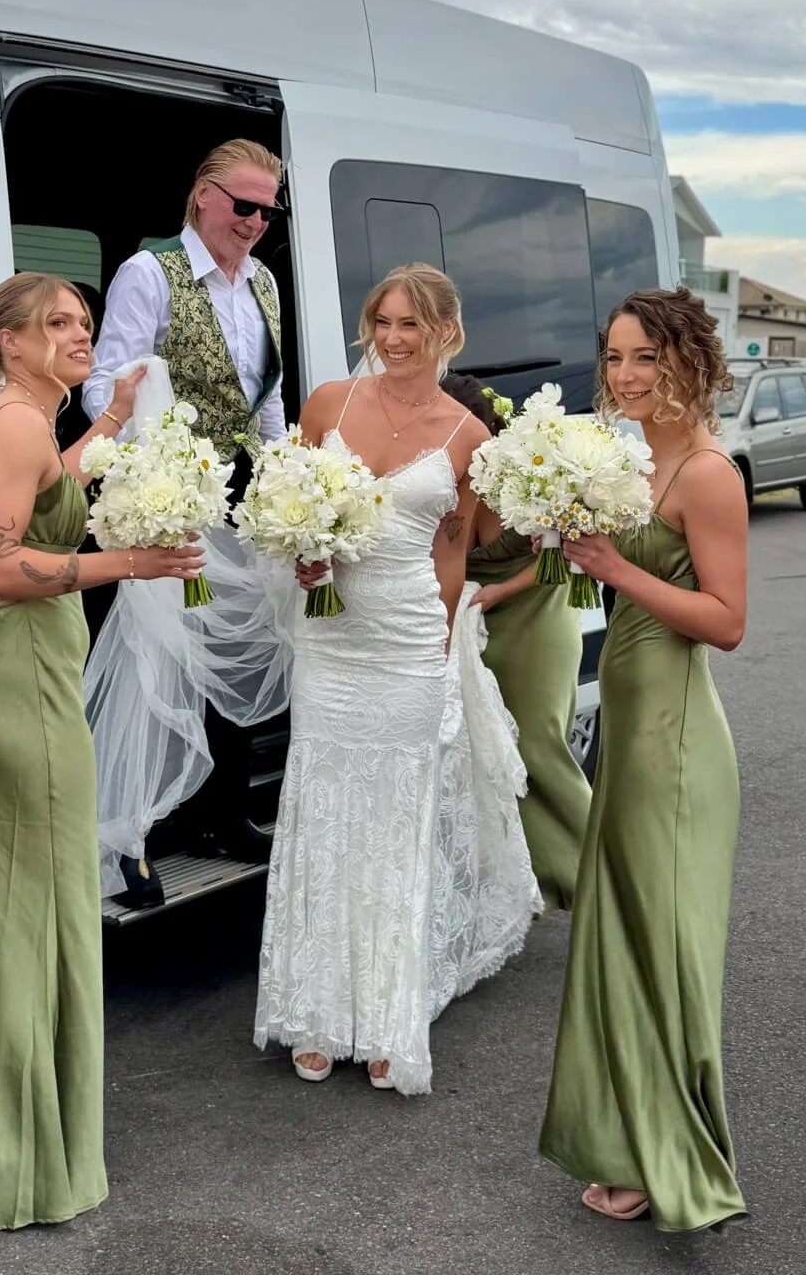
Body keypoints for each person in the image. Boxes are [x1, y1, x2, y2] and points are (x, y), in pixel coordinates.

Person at [0, 273, 203, 1241]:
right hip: (16, 686)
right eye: (58, 323)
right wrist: (128, 563)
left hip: (4, 677)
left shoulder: (20, 419)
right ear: (11, 341)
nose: (79, 333)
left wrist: (116, 420)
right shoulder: (13, 421)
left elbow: (51, 480)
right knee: (24, 913)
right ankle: (4, 1159)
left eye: (85, 321)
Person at [255, 264, 541, 1095]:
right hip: (331, 642)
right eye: (380, 321)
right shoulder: (326, 405)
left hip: (411, 641)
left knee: (396, 823)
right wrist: (299, 558)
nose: (390, 338)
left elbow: (458, 549)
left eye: (409, 324)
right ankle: (314, 1008)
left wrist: (444, 640)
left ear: (445, 331)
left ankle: (387, 1013)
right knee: (324, 810)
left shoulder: (468, 437)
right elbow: (283, 513)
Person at [539, 287, 748, 1232]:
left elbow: (727, 621)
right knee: (620, 940)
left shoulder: (706, 472)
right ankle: (625, 1144)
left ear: (687, 362)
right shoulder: (631, 455)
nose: (623, 376)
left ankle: (672, 1159)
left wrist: (618, 570)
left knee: (659, 948)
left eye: (645, 359)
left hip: (676, 747)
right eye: (615, 357)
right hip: (629, 732)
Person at [84, 139, 287, 885]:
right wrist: (156, 472)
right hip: (166, 493)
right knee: (155, 657)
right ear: (203, 195)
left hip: (239, 494)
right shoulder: (150, 272)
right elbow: (106, 383)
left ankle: (221, 813)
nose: (255, 221)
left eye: (268, 210)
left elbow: (266, 395)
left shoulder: (263, 282)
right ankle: (127, 835)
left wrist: (282, 475)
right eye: (244, 205)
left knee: (226, 650)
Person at [443, 374, 591, 911]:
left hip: (537, 617)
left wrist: (500, 590)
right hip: (473, 630)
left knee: (538, 749)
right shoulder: (440, 481)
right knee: (487, 759)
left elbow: (567, 556)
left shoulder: (525, 475)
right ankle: (525, 887)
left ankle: (596, 881)